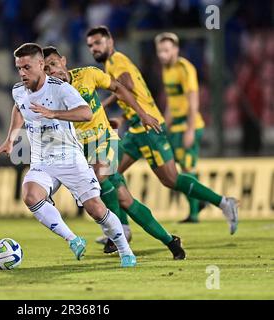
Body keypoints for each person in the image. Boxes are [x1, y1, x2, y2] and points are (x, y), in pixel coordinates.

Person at [0, 43, 136, 267]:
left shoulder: (60, 88)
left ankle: (125, 251)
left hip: (69, 157)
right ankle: (73, 239)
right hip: (42, 161)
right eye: (19, 68)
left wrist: (53, 113)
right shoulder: (18, 90)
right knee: (30, 195)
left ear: (41, 64)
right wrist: (11, 138)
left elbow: (86, 113)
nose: (22, 72)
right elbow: (19, 107)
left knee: (96, 209)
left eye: (27, 67)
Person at [85, 26, 239, 235]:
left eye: (98, 43)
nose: (94, 48)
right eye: (90, 46)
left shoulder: (116, 61)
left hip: (148, 128)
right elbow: (133, 93)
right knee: (109, 172)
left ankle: (223, 202)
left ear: (110, 41)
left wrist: (104, 104)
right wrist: (122, 116)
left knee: (171, 179)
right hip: (137, 128)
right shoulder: (114, 63)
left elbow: (126, 86)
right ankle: (120, 231)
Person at [42, 45, 186, 260]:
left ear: (63, 61)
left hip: (105, 140)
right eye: (46, 69)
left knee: (98, 179)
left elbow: (119, 88)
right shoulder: (49, 95)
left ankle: (117, 235)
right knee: (125, 200)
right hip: (82, 150)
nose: (52, 71)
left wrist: (143, 114)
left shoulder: (88, 74)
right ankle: (170, 240)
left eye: (53, 64)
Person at [155, 32, 207, 223]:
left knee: (186, 167)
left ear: (175, 50)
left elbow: (193, 101)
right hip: (175, 126)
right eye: (160, 50)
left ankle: (194, 213)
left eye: (166, 50)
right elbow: (171, 101)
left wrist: (190, 130)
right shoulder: (166, 69)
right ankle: (200, 199)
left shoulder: (185, 68)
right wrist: (164, 126)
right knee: (175, 173)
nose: (162, 54)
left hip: (188, 125)